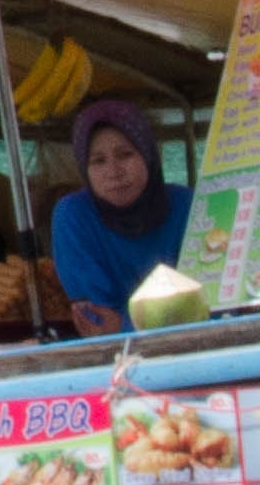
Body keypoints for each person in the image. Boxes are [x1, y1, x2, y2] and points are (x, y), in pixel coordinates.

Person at [47, 99, 193, 334]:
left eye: (125, 154)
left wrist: (123, 325)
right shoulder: (73, 215)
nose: (114, 172)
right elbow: (96, 319)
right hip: (115, 361)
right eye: (98, 161)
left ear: (147, 154)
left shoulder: (186, 205)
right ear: (85, 168)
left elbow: (206, 300)